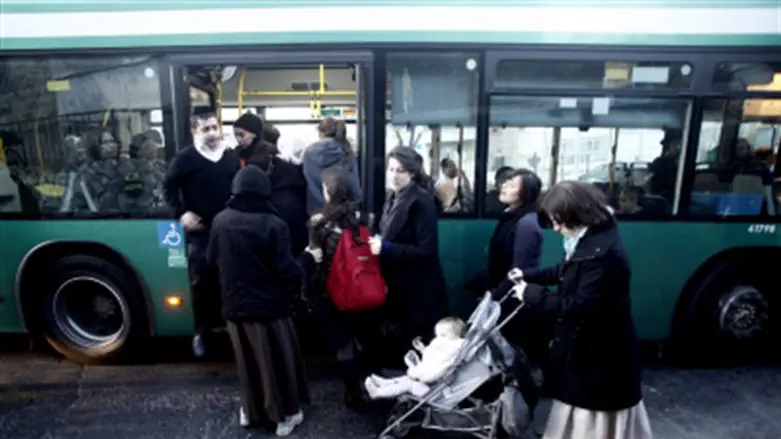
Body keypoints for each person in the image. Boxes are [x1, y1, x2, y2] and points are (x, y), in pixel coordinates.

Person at [508, 181, 652, 439]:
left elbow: (578, 307)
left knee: (591, 421)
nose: (555, 228)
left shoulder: (605, 255)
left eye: (558, 221)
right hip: (591, 353)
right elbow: (566, 271)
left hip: (601, 358)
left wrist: (531, 294)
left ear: (577, 214)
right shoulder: (591, 239)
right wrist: (529, 275)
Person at [206, 165, 322, 436]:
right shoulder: (273, 224)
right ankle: (285, 415)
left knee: (248, 362)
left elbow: (211, 260)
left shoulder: (221, 220)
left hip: (234, 307)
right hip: (269, 309)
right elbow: (286, 271)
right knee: (277, 362)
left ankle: (251, 411)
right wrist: (308, 259)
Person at [163, 108, 239, 357]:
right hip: (201, 231)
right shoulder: (186, 158)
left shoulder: (229, 156)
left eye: (215, 128)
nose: (212, 133)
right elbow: (169, 188)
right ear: (194, 131)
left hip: (228, 229)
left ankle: (231, 328)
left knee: (229, 280)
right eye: (206, 129)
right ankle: (201, 331)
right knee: (200, 283)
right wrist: (181, 213)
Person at [369, 146, 449, 366]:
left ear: (412, 173)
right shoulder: (394, 196)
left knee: (418, 347)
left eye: (400, 170)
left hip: (419, 288)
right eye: (391, 169)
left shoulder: (420, 201)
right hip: (402, 284)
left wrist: (385, 248)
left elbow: (427, 250)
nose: (394, 175)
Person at [309, 166, 381, 410]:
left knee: (343, 344)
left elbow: (316, 257)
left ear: (327, 191)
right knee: (366, 339)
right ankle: (371, 386)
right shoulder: (368, 218)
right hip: (364, 289)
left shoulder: (319, 222)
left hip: (333, 292)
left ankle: (353, 393)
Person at [233, 113, 309, 254]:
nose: (238, 140)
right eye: (236, 135)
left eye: (242, 135)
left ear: (255, 134)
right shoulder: (277, 158)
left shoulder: (257, 162)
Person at [364, 316, 466, 399]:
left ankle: (378, 392)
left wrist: (417, 373)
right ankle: (386, 383)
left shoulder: (452, 351)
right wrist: (423, 350)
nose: (438, 339)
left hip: (434, 393)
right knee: (408, 379)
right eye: (437, 335)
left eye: (443, 335)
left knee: (409, 384)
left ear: (456, 337)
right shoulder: (447, 350)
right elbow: (434, 361)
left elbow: (435, 371)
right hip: (432, 386)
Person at [487, 168, 543, 299]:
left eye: (512, 186)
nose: (503, 186)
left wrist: (496, 296)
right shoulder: (509, 215)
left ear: (526, 194)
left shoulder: (526, 224)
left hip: (513, 295)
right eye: (506, 182)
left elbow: (519, 268)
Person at [302, 117, 362, 215]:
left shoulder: (309, 152)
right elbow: (354, 184)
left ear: (321, 133)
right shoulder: (346, 151)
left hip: (316, 211)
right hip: (343, 211)